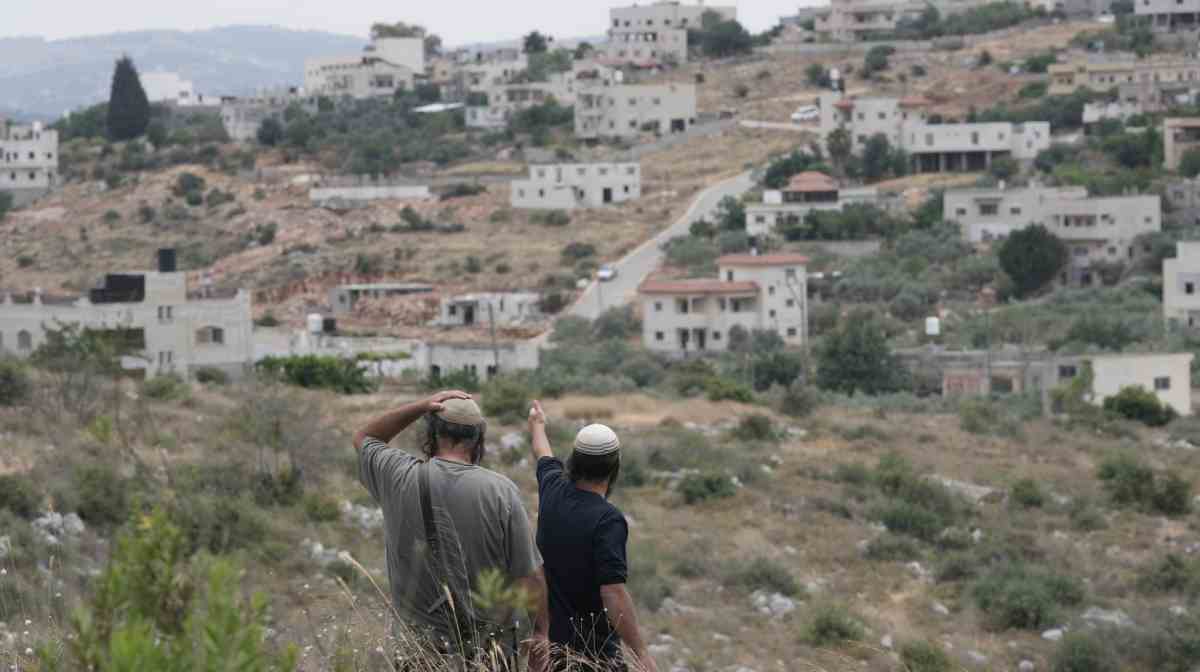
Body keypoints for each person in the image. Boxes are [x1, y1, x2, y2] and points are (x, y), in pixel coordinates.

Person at [352, 390, 549, 668]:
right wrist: (541, 632)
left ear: (431, 433)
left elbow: (365, 438)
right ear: (478, 438)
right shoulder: (501, 491)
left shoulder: (398, 476)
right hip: (485, 655)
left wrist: (422, 405)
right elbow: (529, 577)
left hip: (417, 654)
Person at [526, 400, 658, 672]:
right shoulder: (608, 519)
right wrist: (642, 654)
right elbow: (613, 593)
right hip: (593, 655)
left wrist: (537, 423)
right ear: (614, 468)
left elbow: (542, 452)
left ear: (574, 460)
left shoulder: (552, 488)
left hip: (551, 651)